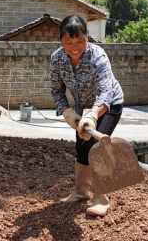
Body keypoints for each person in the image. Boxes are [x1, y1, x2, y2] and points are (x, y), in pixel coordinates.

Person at [50, 15, 124, 216]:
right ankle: (81, 192)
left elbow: (106, 91)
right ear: (61, 41)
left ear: (87, 38)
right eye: (69, 41)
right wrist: (67, 113)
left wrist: (93, 115)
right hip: (82, 107)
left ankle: (101, 200)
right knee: (82, 148)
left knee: (97, 147)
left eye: (80, 40)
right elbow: (57, 90)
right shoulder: (57, 59)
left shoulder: (97, 56)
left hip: (109, 105)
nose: (75, 46)